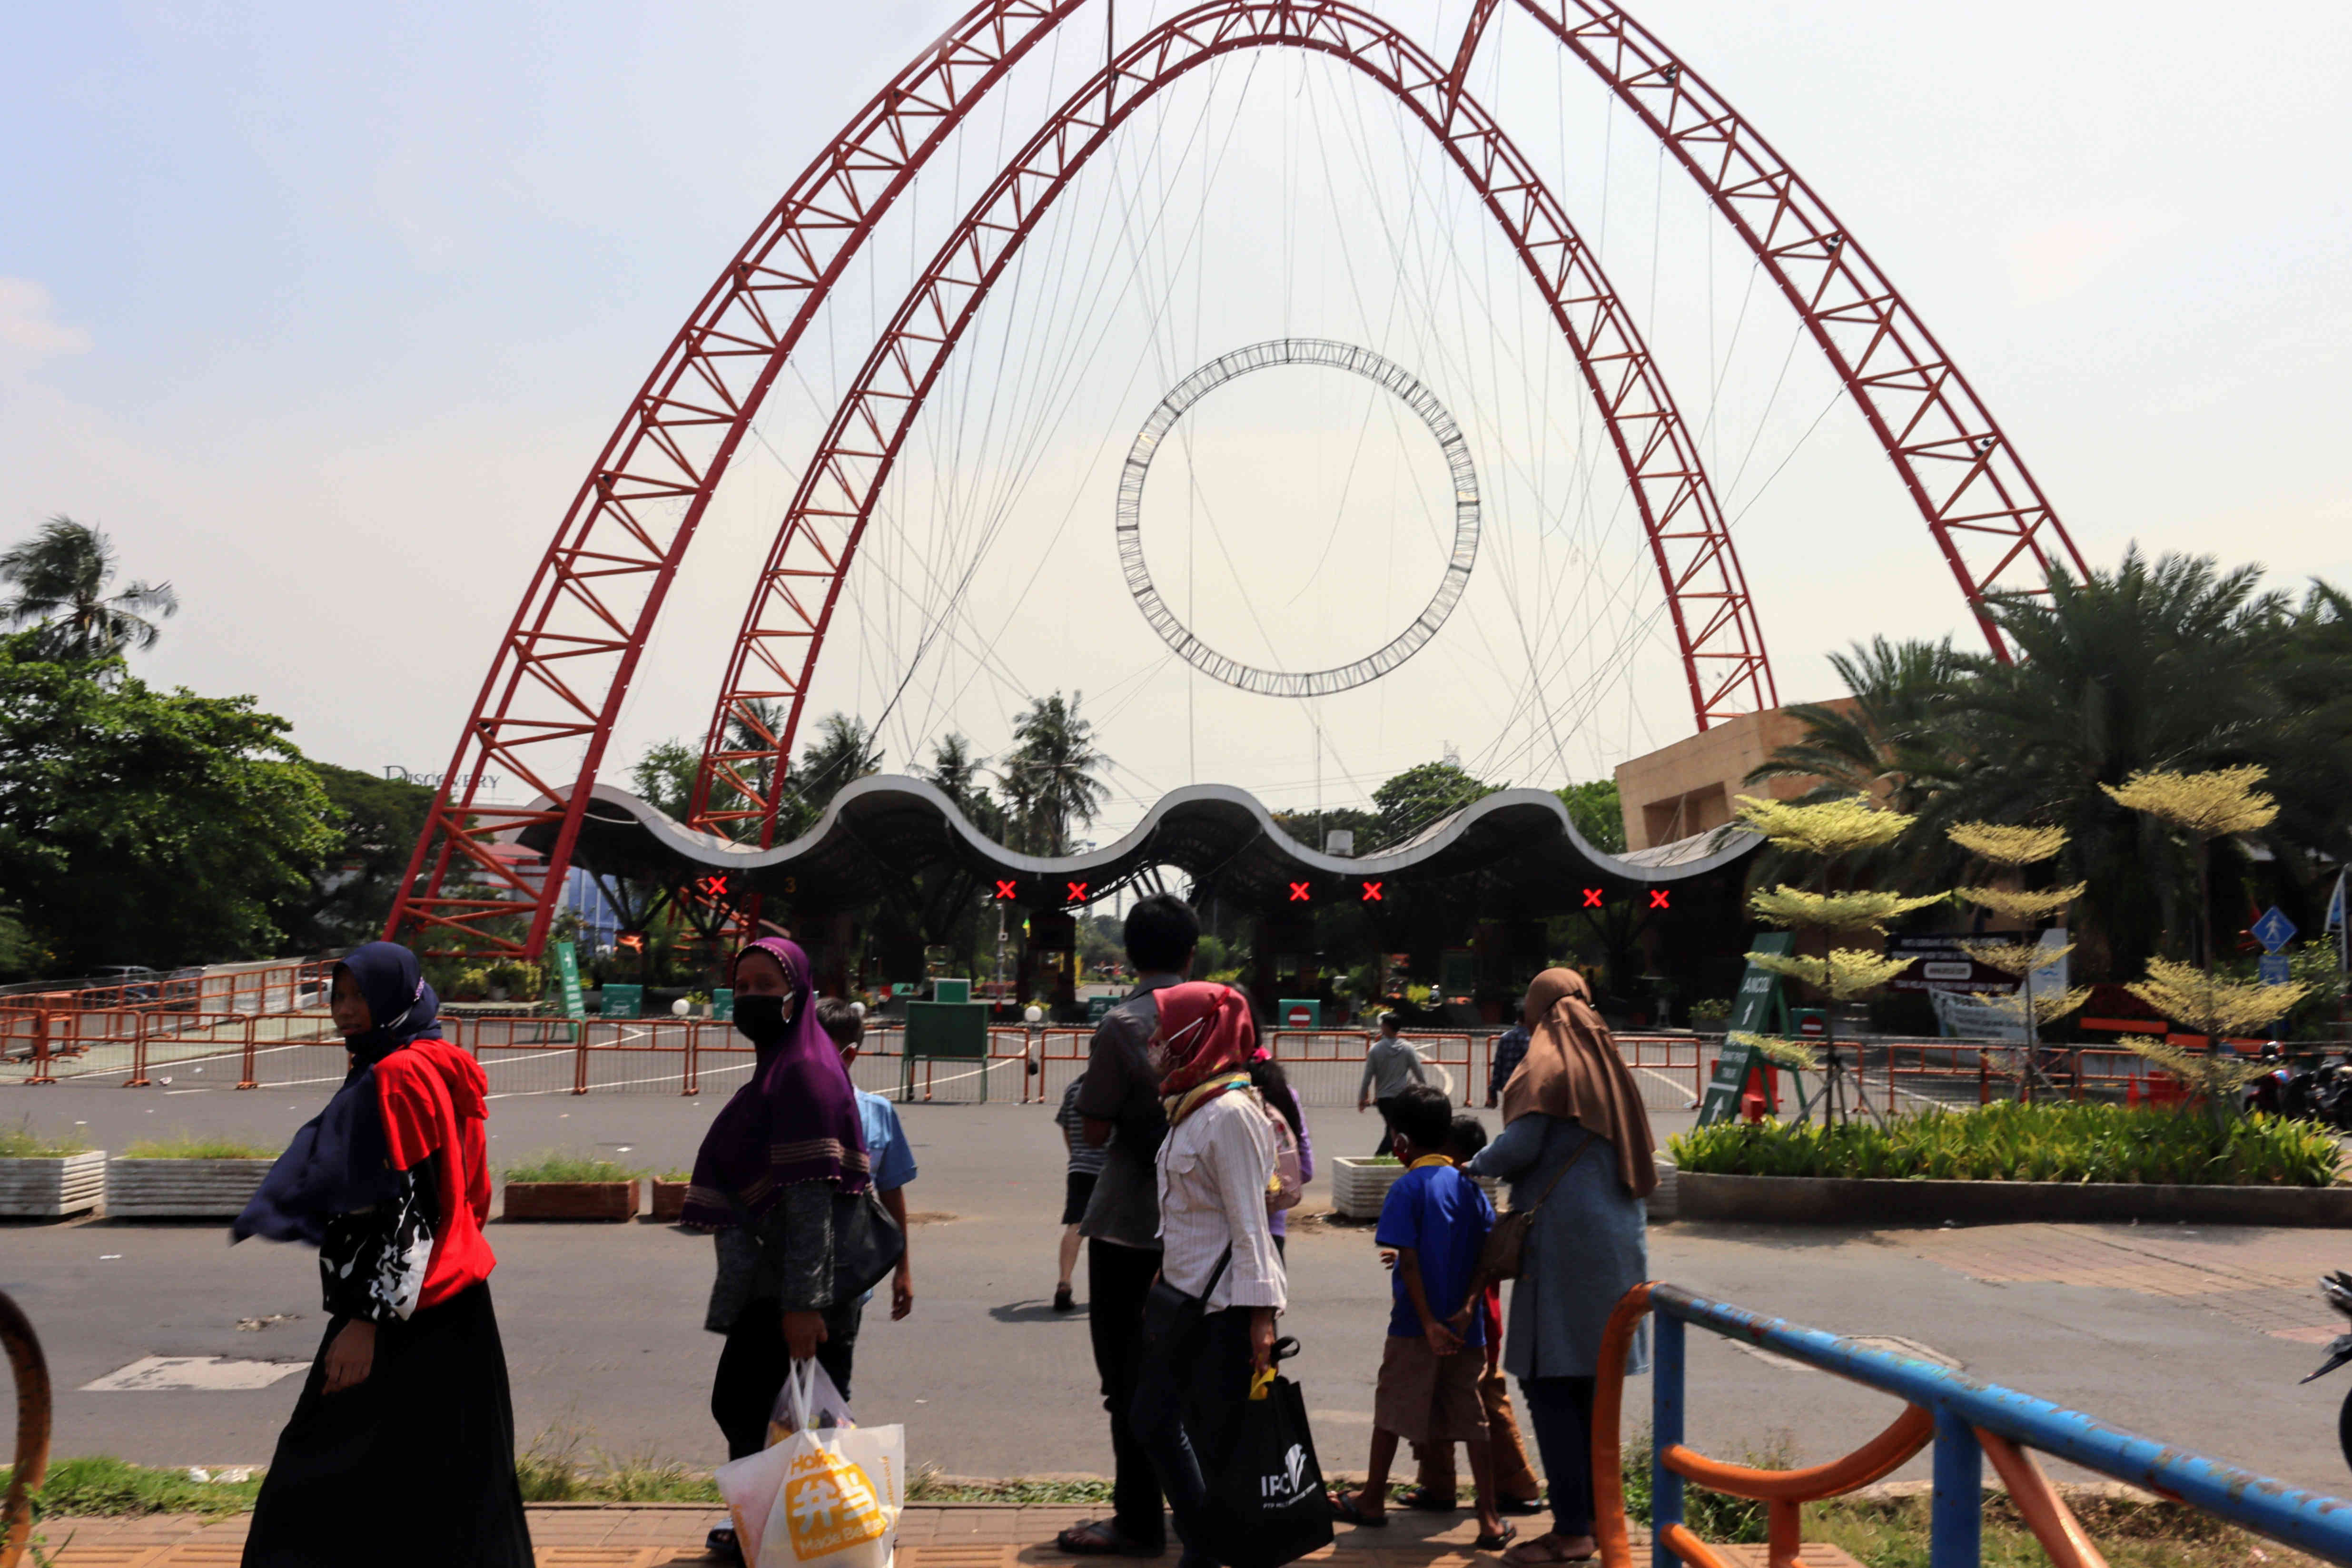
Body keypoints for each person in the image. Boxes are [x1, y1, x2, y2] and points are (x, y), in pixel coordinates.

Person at [232, 941, 531, 1568]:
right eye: (338, 995)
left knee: (311, 1472)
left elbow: (407, 1208)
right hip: (460, 1298)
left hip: (402, 1309)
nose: (344, 1009)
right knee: (458, 1479)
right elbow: (470, 1189)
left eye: (359, 995)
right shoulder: (440, 1059)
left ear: (395, 995)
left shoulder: (393, 1074)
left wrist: (363, 1320)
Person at [686, 939, 880, 1567]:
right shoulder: (783, 1065)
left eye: (765, 984)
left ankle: (781, 1541)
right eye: (740, 985)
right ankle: (771, 1536)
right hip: (775, 1283)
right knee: (764, 1413)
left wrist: (803, 1304)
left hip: (792, 1291)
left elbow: (811, 1203)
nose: (749, 998)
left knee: (752, 1406)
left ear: (797, 995)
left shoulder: (801, 1073)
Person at [1463, 968, 1657, 1568]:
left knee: (1548, 1383)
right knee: (1593, 1389)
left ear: (1540, 1012)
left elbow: (1519, 1148)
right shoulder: (1609, 1066)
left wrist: (1463, 1166)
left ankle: (1572, 1529)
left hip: (1564, 1250)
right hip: (1619, 1249)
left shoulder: (1550, 1066)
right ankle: (1600, 1521)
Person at [1057, 893, 1199, 1559]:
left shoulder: (1120, 1023)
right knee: (1200, 1371)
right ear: (1192, 952)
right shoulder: (1229, 1012)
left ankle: (1138, 1518)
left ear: (1129, 957)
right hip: (1203, 1222)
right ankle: (1207, 1509)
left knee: (1126, 1375)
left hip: (1130, 1221)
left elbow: (1093, 1122)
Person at [1130, 981, 1286, 1568]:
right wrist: (1165, 1273)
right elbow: (1193, 1214)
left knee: (1211, 1444)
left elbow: (1251, 1223)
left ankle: (1210, 1552)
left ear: (1199, 1033)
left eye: (1164, 1029)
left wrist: (1262, 1320)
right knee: (1157, 1421)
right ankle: (1208, 1548)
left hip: (1223, 1312)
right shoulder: (1190, 1106)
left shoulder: (1230, 1115)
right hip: (1184, 1300)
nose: (1153, 1041)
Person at [1330, 1086, 1511, 1553]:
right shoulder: (1470, 1187)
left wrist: (1428, 1321)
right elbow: (1486, 1258)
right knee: (1473, 1420)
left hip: (1416, 1326)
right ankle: (1489, 1519)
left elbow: (1407, 1261)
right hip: (1464, 1327)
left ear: (1401, 1141)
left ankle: (1371, 1499)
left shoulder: (1405, 1188)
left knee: (1391, 1410)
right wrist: (1468, 1305)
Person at [1403, 1116, 1543, 1518]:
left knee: (1483, 1397)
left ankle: (1516, 1485)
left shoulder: (1456, 1190)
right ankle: (1440, 1483)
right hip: (1472, 1314)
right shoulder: (1468, 1193)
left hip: (1472, 1317)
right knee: (1446, 1392)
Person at [818, 996, 918, 1338]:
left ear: (848, 1056)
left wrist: (902, 1269)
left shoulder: (878, 1113)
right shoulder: (782, 1107)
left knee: (834, 1382)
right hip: (788, 1282)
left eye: (818, 1049)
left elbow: (891, 1196)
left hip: (849, 1280)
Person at [1248, 1055, 1311, 1258]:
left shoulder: (1223, 1101)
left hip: (1227, 1234)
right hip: (1273, 1233)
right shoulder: (1287, 1095)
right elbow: (1306, 1170)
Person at [1055, 1073, 1107, 1312]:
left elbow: (1066, 1127)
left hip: (1079, 1167)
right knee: (1111, 1232)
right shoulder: (1115, 1087)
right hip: (1110, 1169)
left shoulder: (1073, 1089)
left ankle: (1064, 1281)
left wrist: (1075, 1155)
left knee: (1075, 1226)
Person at [1359, 1012, 1429, 1155]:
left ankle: (1383, 1156)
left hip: (1384, 1098)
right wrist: (1426, 1091)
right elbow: (1418, 1072)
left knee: (1393, 1128)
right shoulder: (1407, 1048)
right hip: (1403, 1096)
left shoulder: (1376, 1049)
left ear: (1386, 1027)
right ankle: (1391, 1155)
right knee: (1395, 1128)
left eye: (1382, 1025)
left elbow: (1368, 1076)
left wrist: (1362, 1097)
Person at [1486, 1021, 1531, 1109]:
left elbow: (1498, 1065)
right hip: (1528, 1087)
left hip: (1508, 1086)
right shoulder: (1534, 1039)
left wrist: (1493, 1090)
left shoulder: (1505, 1037)